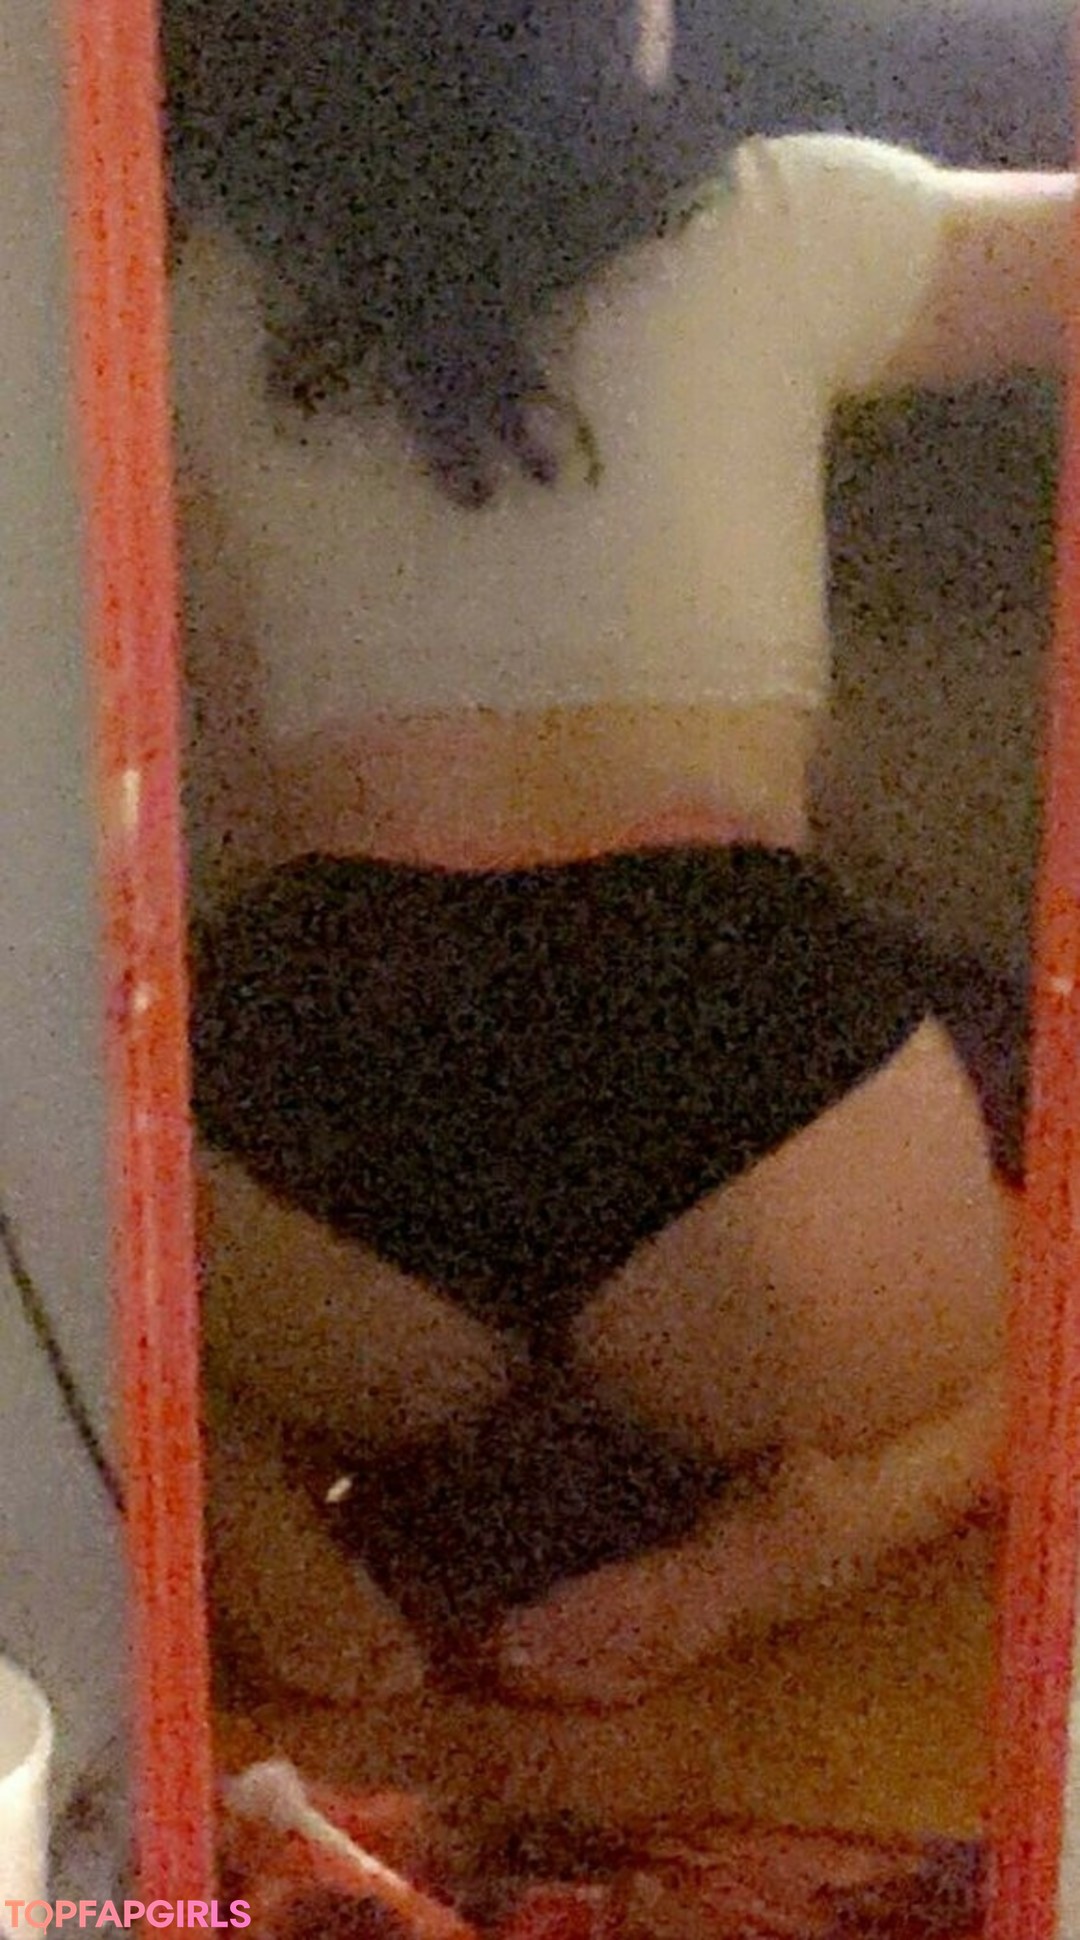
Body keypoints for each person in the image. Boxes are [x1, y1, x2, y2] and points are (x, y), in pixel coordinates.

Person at [164, 0, 1069, 1716]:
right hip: (745, 1077)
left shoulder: (203, 292)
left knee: (102, 1299)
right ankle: (784, 1550)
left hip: (323, 1080)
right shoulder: (789, 215)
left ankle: (249, 1507)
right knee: (1048, 1309)